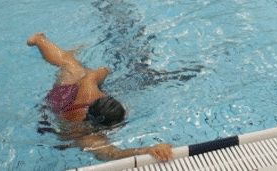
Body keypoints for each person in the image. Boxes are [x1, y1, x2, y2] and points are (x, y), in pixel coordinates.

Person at [27, 33, 173, 162]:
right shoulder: (84, 136)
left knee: (71, 65)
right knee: (74, 67)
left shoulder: (89, 94)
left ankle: (40, 40)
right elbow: (112, 154)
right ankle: (40, 39)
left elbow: (95, 74)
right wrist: (147, 150)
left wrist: (105, 71)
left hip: (69, 98)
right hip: (59, 109)